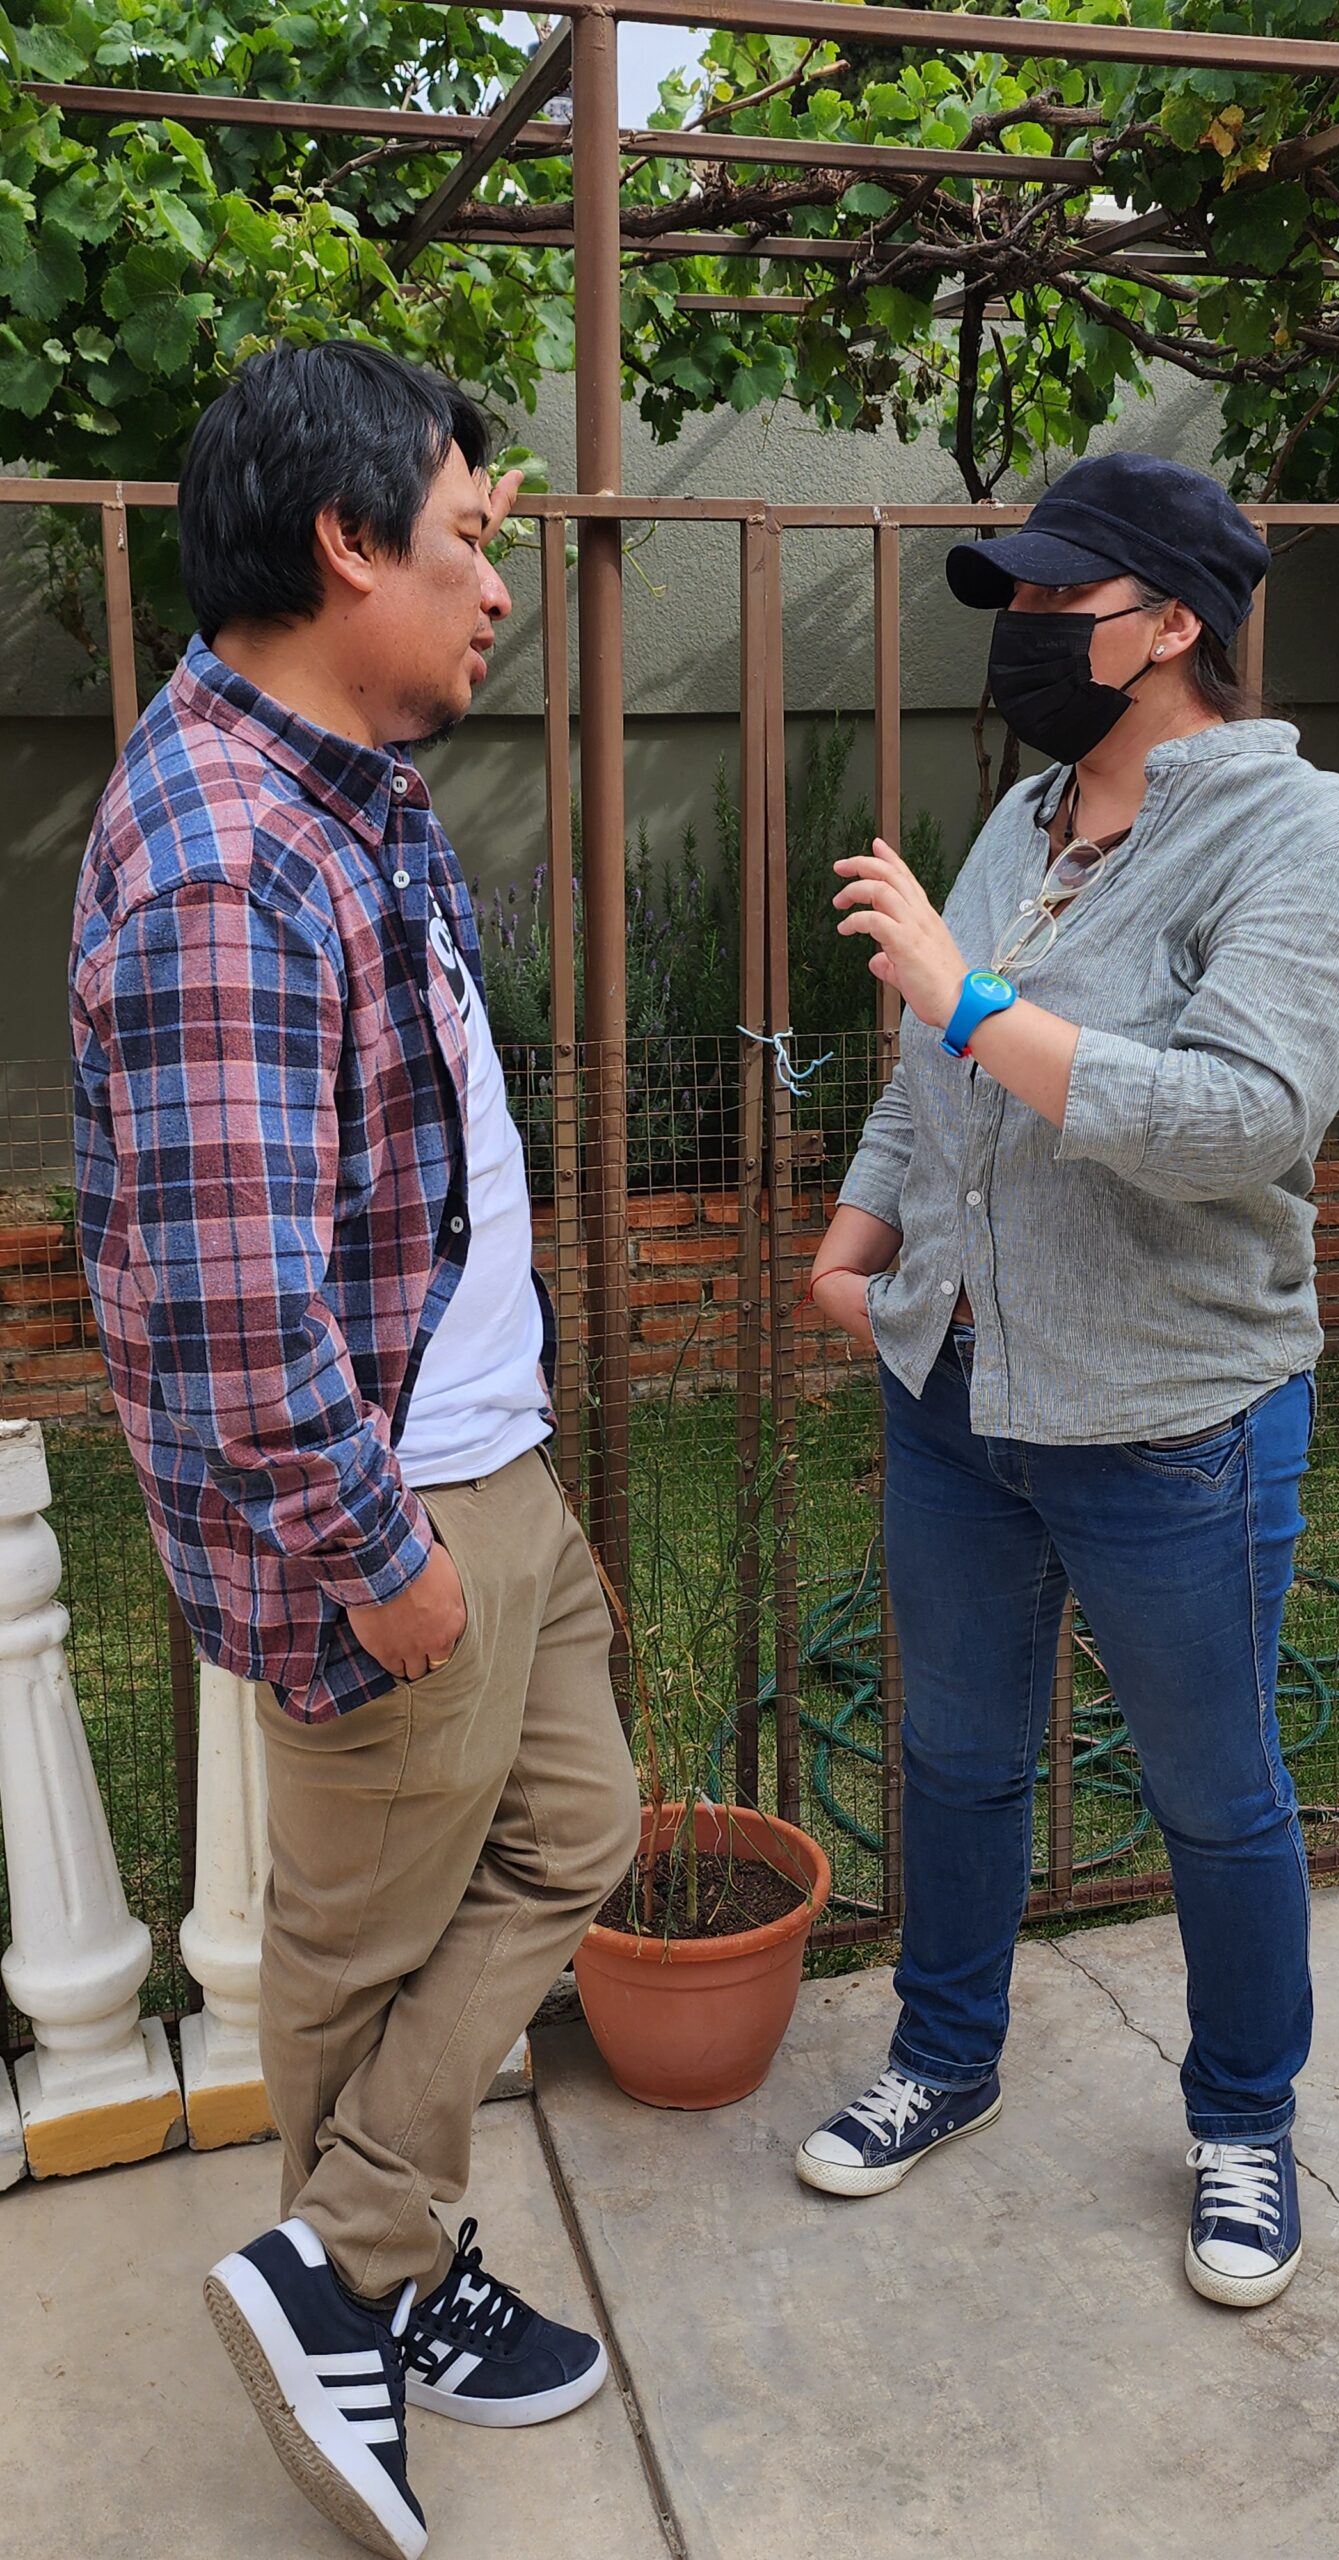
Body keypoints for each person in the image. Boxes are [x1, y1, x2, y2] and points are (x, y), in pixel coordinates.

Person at [70, 341, 639, 2560]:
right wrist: (375, 1551)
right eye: (469, 538)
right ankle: (363, 2295)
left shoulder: (346, 790)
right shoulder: (229, 857)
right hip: (396, 1502)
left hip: (489, 1445)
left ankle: (349, 2255)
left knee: (576, 1824)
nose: (497, 582)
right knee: (360, 1946)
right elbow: (234, 1305)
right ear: (344, 541)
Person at [794, 452, 1339, 2312]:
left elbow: (1238, 1121)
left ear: (1169, 626)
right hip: (955, 1388)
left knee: (1215, 1791)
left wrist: (972, 996)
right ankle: (944, 2057)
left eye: (1056, 601)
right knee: (955, 1755)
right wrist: (858, 1234)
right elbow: (934, 1076)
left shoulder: (1315, 840)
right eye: (1015, 598)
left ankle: (1241, 2119)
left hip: (1167, 1416)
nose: (1020, 630)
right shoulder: (1027, 818)